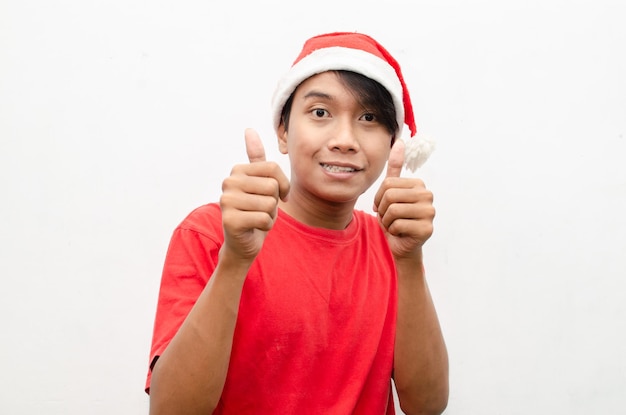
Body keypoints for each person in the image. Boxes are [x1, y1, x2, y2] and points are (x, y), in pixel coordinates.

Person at [145, 31, 449, 415]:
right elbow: (171, 410)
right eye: (320, 112)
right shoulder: (211, 233)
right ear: (284, 131)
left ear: (393, 143)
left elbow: (427, 405)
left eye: (369, 118)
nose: (344, 139)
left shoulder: (392, 246)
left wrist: (408, 262)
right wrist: (235, 261)